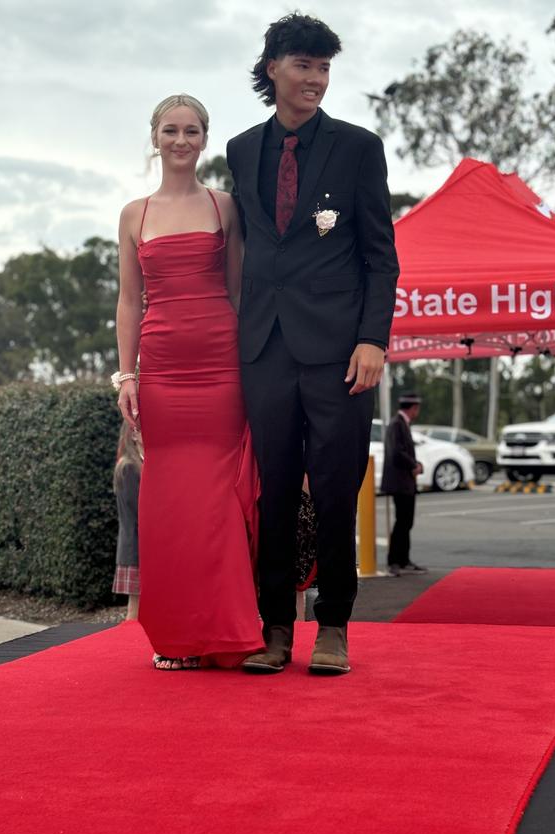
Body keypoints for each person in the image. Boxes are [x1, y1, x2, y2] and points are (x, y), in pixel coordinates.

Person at [226, 13, 399, 675]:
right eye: (304, 66)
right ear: (273, 67)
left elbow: (381, 257)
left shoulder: (358, 148)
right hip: (264, 346)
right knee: (272, 491)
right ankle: (273, 626)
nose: (316, 80)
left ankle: (334, 625)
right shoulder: (242, 150)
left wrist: (372, 339)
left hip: (339, 354)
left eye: (325, 68)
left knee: (332, 488)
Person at [113, 94, 264, 670]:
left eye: (192, 130)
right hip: (163, 371)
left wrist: (253, 365)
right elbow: (129, 300)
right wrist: (128, 374)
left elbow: (238, 293)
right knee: (167, 499)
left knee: (219, 500)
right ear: (155, 137)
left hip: (221, 364)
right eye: (171, 130)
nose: (181, 140)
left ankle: (226, 628)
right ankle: (177, 635)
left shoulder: (225, 206)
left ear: (204, 139)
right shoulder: (134, 214)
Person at [381, 394, 428, 576]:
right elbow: (396, 453)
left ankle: (403, 560)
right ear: (413, 407)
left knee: (405, 522)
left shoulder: (401, 424)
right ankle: (394, 561)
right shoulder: (396, 424)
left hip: (405, 482)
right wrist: (414, 465)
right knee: (402, 522)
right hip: (400, 482)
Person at [112, 421, 143, 621]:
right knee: (135, 609)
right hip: (136, 547)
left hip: (141, 545)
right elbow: (138, 509)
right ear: (133, 434)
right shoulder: (129, 467)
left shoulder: (140, 463)